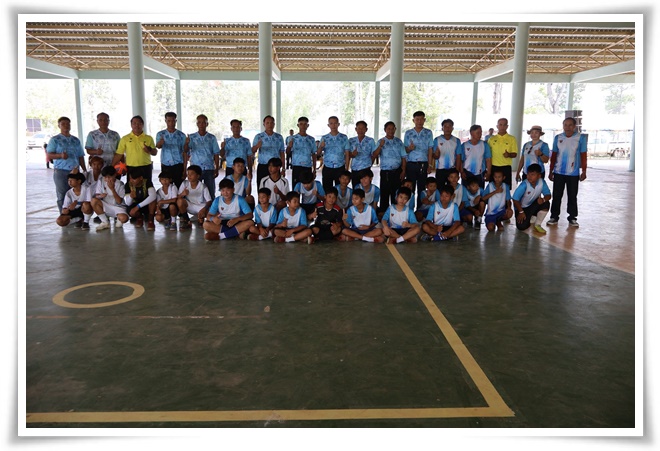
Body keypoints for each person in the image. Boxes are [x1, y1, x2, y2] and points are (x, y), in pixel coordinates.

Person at [547, 117, 588, 227]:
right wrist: (551, 170)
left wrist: (584, 170)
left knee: (572, 195)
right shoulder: (558, 138)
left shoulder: (580, 138)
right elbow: (554, 155)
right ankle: (554, 216)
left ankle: (572, 217)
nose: (567, 127)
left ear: (574, 127)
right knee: (556, 195)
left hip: (573, 173)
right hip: (558, 172)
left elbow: (583, 155)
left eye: (570, 125)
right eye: (565, 125)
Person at [46, 116, 87, 213]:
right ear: (59, 126)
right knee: (62, 194)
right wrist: (60, 155)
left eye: (68, 124)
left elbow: (80, 156)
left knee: (77, 193)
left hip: (75, 171)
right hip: (61, 171)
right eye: (63, 124)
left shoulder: (75, 140)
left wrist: (84, 169)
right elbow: (49, 155)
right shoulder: (55, 140)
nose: (66, 126)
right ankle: (64, 214)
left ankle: (77, 215)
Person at [372, 121, 407, 214]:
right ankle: (384, 214)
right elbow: (374, 154)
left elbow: (403, 156)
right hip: (386, 172)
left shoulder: (399, 141)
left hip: (397, 171)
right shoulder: (380, 141)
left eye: (392, 129)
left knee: (396, 193)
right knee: (384, 193)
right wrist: (380, 146)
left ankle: (395, 213)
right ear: (385, 130)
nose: (391, 131)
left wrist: (403, 170)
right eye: (388, 129)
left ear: (395, 129)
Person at [184, 114, 221, 199]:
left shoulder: (212, 138)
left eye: (204, 122)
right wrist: (186, 143)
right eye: (199, 122)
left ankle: (211, 207)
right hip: (195, 169)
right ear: (197, 124)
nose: (201, 124)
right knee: (196, 191)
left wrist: (216, 168)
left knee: (210, 191)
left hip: (209, 168)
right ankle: (197, 206)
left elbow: (216, 153)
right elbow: (185, 151)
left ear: (207, 124)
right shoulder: (191, 137)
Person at [112, 115, 156, 184]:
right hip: (131, 167)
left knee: (147, 185)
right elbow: (119, 154)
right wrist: (112, 166)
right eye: (134, 123)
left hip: (146, 166)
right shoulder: (125, 138)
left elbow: (155, 152)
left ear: (142, 125)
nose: (136, 125)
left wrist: (149, 150)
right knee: (131, 186)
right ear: (131, 125)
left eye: (139, 123)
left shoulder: (149, 138)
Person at [403, 111, 434, 206]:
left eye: (421, 119)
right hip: (411, 164)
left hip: (423, 164)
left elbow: (430, 149)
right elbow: (405, 151)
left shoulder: (428, 132)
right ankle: (409, 208)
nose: (419, 121)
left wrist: (430, 165)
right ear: (413, 120)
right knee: (410, 187)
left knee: (422, 188)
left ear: (424, 120)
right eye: (417, 119)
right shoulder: (408, 133)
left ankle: (420, 209)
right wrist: (409, 148)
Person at [512, 164, 552, 234]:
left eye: (532, 174)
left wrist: (543, 200)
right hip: (522, 208)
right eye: (528, 174)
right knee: (522, 227)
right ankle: (531, 217)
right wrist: (521, 212)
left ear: (539, 176)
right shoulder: (524, 185)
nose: (529, 177)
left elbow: (548, 195)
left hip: (533, 205)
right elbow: (515, 199)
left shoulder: (542, 182)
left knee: (546, 203)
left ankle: (537, 224)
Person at [318, 116, 351, 193]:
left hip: (340, 167)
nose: (333, 125)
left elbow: (347, 154)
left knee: (340, 189)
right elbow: (318, 153)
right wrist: (321, 147)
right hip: (327, 167)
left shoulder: (344, 137)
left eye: (335, 123)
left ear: (338, 124)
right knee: (327, 189)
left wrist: (347, 168)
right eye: (331, 123)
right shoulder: (324, 138)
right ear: (328, 125)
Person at [92, 165, 129, 231]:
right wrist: (101, 196)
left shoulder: (120, 184)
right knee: (93, 201)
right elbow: (97, 195)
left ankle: (118, 218)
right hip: (106, 205)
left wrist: (112, 189)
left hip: (118, 207)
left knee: (124, 219)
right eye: (105, 177)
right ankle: (105, 222)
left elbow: (119, 201)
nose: (107, 179)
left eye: (109, 177)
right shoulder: (101, 181)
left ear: (115, 175)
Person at [155, 112, 187, 188]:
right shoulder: (160, 134)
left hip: (178, 165)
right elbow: (158, 146)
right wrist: (160, 143)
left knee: (179, 186)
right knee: (167, 186)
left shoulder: (181, 135)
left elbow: (185, 153)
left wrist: (185, 169)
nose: (171, 123)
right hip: (166, 165)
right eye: (169, 121)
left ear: (176, 121)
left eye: (173, 121)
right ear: (165, 121)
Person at [176, 164, 213, 230]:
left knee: (212, 216)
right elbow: (177, 197)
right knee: (180, 201)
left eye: (192, 174)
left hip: (201, 207)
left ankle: (200, 218)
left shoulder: (203, 186)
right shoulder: (185, 183)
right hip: (189, 206)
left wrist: (204, 209)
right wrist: (182, 194)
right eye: (188, 174)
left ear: (198, 176)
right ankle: (187, 221)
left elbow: (209, 201)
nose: (189, 176)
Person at [253, 115, 286, 185]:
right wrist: (257, 146)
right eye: (267, 123)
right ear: (264, 124)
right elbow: (252, 151)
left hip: (275, 166)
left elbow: (282, 153)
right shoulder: (258, 136)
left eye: (271, 123)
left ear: (274, 124)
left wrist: (283, 168)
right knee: (262, 186)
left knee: (275, 186)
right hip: (263, 166)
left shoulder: (279, 137)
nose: (269, 125)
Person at [487, 118, 518, 191]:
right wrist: (488, 170)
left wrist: (509, 154)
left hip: (506, 167)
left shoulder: (512, 139)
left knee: (506, 189)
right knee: (492, 189)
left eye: (504, 125)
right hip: (494, 166)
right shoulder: (491, 139)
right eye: (500, 125)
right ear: (497, 126)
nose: (502, 127)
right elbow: (488, 155)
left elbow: (515, 154)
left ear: (507, 126)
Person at [431, 118, 463, 188]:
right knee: (440, 188)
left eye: (449, 126)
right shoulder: (437, 140)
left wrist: (457, 171)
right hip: (440, 169)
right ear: (442, 128)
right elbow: (434, 156)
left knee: (451, 189)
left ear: (452, 128)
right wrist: (436, 155)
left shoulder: (456, 140)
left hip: (452, 169)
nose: (447, 128)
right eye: (445, 126)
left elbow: (458, 156)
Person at [287, 116, 318, 188]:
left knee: (307, 188)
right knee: (296, 188)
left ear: (308, 125)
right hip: (297, 166)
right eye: (301, 124)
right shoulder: (292, 138)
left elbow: (314, 155)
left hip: (307, 166)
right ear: (298, 125)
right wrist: (289, 146)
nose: (303, 126)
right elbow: (287, 152)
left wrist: (314, 169)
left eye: (305, 124)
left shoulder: (311, 139)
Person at [481, 167, 513, 232]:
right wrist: (495, 191)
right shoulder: (490, 186)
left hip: (501, 211)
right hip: (491, 213)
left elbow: (508, 200)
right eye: (495, 177)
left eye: (499, 177)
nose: (497, 179)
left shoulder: (505, 186)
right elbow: (483, 198)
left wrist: (509, 208)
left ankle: (498, 221)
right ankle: (494, 221)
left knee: (510, 213)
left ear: (503, 177)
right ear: (493, 177)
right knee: (490, 228)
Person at [461, 124, 492, 189]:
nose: (480, 135)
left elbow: (488, 159)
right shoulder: (464, 145)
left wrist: (489, 172)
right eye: (478, 133)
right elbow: (461, 160)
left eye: (481, 133)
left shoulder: (484, 145)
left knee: (479, 191)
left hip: (480, 173)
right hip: (467, 173)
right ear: (471, 133)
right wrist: (461, 172)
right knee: (466, 191)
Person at [347, 120, 377, 188]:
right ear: (356, 129)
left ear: (366, 129)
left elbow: (374, 155)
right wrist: (353, 155)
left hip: (366, 168)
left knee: (366, 188)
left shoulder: (370, 140)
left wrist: (369, 164)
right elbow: (348, 154)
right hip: (355, 169)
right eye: (359, 128)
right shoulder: (351, 140)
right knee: (355, 188)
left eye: (363, 128)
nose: (361, 130)